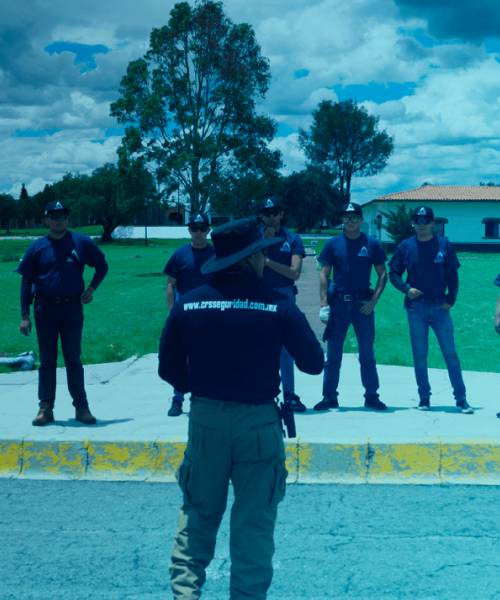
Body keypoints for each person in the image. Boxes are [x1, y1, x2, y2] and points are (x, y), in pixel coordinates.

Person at [159, 217, 324, 600]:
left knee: (197, 518)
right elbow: (314, 363)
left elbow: (168, 368)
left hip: (205, 421)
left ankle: (185, 595)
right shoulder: (278, 304)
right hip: (259, 425)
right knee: (252, 528)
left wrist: (197, 388)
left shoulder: (189, 301)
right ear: (255, 256)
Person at [17, 200, 108, 426]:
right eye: (55, 216)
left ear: (68, 219)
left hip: (72, 308)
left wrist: (91, 289)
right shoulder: (37, 247)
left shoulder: (82, 242)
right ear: (46, 219)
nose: (60, 220)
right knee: (47, 360)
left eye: (63, 216)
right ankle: (45, 408)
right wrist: (24, 315)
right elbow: (27, 281)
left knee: (73, 358)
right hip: (44, 308)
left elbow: (102, 266)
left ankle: (82, 407)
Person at [388, 205, 473, 413]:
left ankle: (461, 399)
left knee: (450, 354)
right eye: (418, 220)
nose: (422, 224)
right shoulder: (405, 246)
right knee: (420, 355)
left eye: (426, 221)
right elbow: (393, 273)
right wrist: (406, 289)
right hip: (417, 309)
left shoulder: (444, 245)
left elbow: (453, 275)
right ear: (413, 223)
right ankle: (424, 398)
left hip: (441, 309)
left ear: (433, 224)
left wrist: (451, 300)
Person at [314, 202, 388, 412]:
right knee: (333, 355)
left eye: (354, 217)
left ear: (361, 220)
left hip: (362, 305)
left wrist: (373, 301)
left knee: (367, 354)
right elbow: (324, 274)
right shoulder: (333, 244)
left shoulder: (371, 244)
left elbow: (383, 274)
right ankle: (329, 396)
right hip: (338, 305)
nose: (350, 221)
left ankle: (371, 396)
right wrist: (324, 304)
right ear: (342, 220)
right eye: (346, 217)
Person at [163, 212, 214, 416]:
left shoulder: (217, 255)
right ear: (189, 230)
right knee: (183, 357)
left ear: (209, 230)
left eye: (203, 228)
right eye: (195, 228)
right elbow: (170, 286)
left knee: (211, 356)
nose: (199, 232)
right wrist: (171, 314)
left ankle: (208, 398)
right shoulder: (179, 255)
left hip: (212, 314)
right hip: (186, 315)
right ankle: (177, 398)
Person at [260, 197, 307, 412]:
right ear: (261, 216)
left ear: (281, 213)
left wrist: (268, 262)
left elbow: (294, 273)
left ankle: (289, 394)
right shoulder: (255, 238)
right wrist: (264, 243)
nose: (271, 216)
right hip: (260, 295)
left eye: (275, 212)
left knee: (286, 348)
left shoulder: (293, 238)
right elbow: (253, 270)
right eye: (267, 213)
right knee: (263, 346)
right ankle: (264, 393)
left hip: (286, 295)